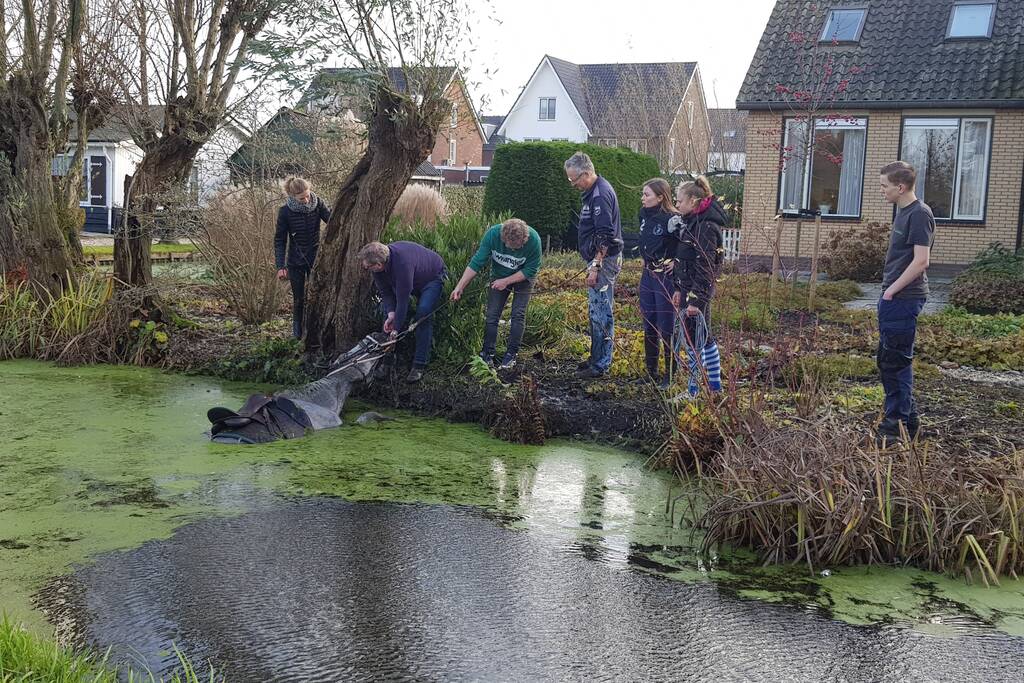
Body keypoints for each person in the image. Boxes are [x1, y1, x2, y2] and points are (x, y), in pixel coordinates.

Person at [876, 160, 934, 443]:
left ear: (900, 187)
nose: (881, 191)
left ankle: (893, 429)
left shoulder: (919, 214)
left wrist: (891, 292)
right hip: (894, 297)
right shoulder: (903, 212)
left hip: (903, 298)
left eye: (884, 186)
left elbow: (921, 261)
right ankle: (908, 423)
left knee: (895, 362)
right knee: (890, 360)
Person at [450, 218, 543, 370]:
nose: (514, 250)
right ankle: (487, 354)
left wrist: (506, 281)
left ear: (524, 239)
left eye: (518, 247)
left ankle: (511, 355)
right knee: (492, 315)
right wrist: (460, 286)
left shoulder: (534, 241)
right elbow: (477, 262)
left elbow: (530, 270)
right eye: (511, 247)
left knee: (518, 314)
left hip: (524, 277)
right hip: (498, 275)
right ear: (503, 239)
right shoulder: (493, 235)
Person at [564, 151, 623, 378]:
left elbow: (605, 235)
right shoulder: (592, 193)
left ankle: (601, 365)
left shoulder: (599, 196)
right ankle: (595, 357)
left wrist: (595, 266)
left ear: (586, 174)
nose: (573, 184)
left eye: (574, 180)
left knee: (601, 312)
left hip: (604, 261)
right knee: (594, 311)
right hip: (598, 259)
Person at [358, 241, 447, 384]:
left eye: (369, 267)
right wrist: (391, 314)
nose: (367, 269)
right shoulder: (379, 269)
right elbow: (386, 293)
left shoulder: (402, 264)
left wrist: (396, 330)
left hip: (432, 278)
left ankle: (419, 365)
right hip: (411, 279)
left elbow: (402, 300)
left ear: (378, 265)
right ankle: (387, 362)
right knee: (387, 316)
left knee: (423, 313)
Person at [670, 176, 727, 398]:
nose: (677, 205)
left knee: (697, 340)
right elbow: (683, 260)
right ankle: (714, 388)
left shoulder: (705, 228)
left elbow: (706, 266)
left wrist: (696, 300)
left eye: (680, 201)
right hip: (688, 290)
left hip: (697, 293)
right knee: (703, 337)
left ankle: (695, 390)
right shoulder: (691, 224)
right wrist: (677, 288)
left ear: (693, 201)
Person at [637, 178, 681, 389]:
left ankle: (671, 374)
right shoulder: (644, 216)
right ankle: (650, 370)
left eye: (647, 195)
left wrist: (676, 262)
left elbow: (685, 245)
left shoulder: (673, 219)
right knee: (649, 322)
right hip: (648, 274)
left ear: (661, 197)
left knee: (666, 325)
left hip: (665, 276)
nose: (642, 198)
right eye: (643, 194)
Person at [275, 177, 331, 338]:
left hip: (316, 258)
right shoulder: (284, 212)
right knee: (299, 299)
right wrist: (280, 266)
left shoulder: (318, 203)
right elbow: (279, 240)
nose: (306, 200)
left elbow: (331, 220)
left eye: (307, 195)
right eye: (301, 198)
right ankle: (297, 335)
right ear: (292, 196)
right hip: (295, 261)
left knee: (318, 295)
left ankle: (317, 331)